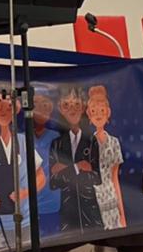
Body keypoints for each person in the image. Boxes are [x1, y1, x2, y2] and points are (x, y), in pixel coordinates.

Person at [0, 91, 46, 249]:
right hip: (1, 220)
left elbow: (41, 177)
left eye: (9, 106)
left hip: (25, 217)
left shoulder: (23, 142)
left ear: (16, 110)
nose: (3, 111)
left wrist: (25, 193)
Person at [49, 86, 103, 233]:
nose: (72, 109)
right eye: (67, 105)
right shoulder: (57, 144)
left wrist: (64, 169)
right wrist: (77, 167)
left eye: (76, 104)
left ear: (83, 107)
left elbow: (96, 177)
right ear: (60, 108)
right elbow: (54, 182)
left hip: (90, 209)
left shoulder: (91, 141)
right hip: (68, 210)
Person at [85, 86, 126, 230]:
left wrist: (122, 214)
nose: (98, 115)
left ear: (108, 113)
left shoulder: (114, 142)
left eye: (102, 111)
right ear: (89, 114)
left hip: (112, 204)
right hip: (93, 206)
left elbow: (115, 179)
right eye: (94, 111)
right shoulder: (86, 144)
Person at [30, 87, 62, 237]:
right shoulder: (21, 138)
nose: (40, 109)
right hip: (28, 205)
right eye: (35, 104)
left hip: (52, 204)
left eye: (44, 104)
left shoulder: (57, 137)